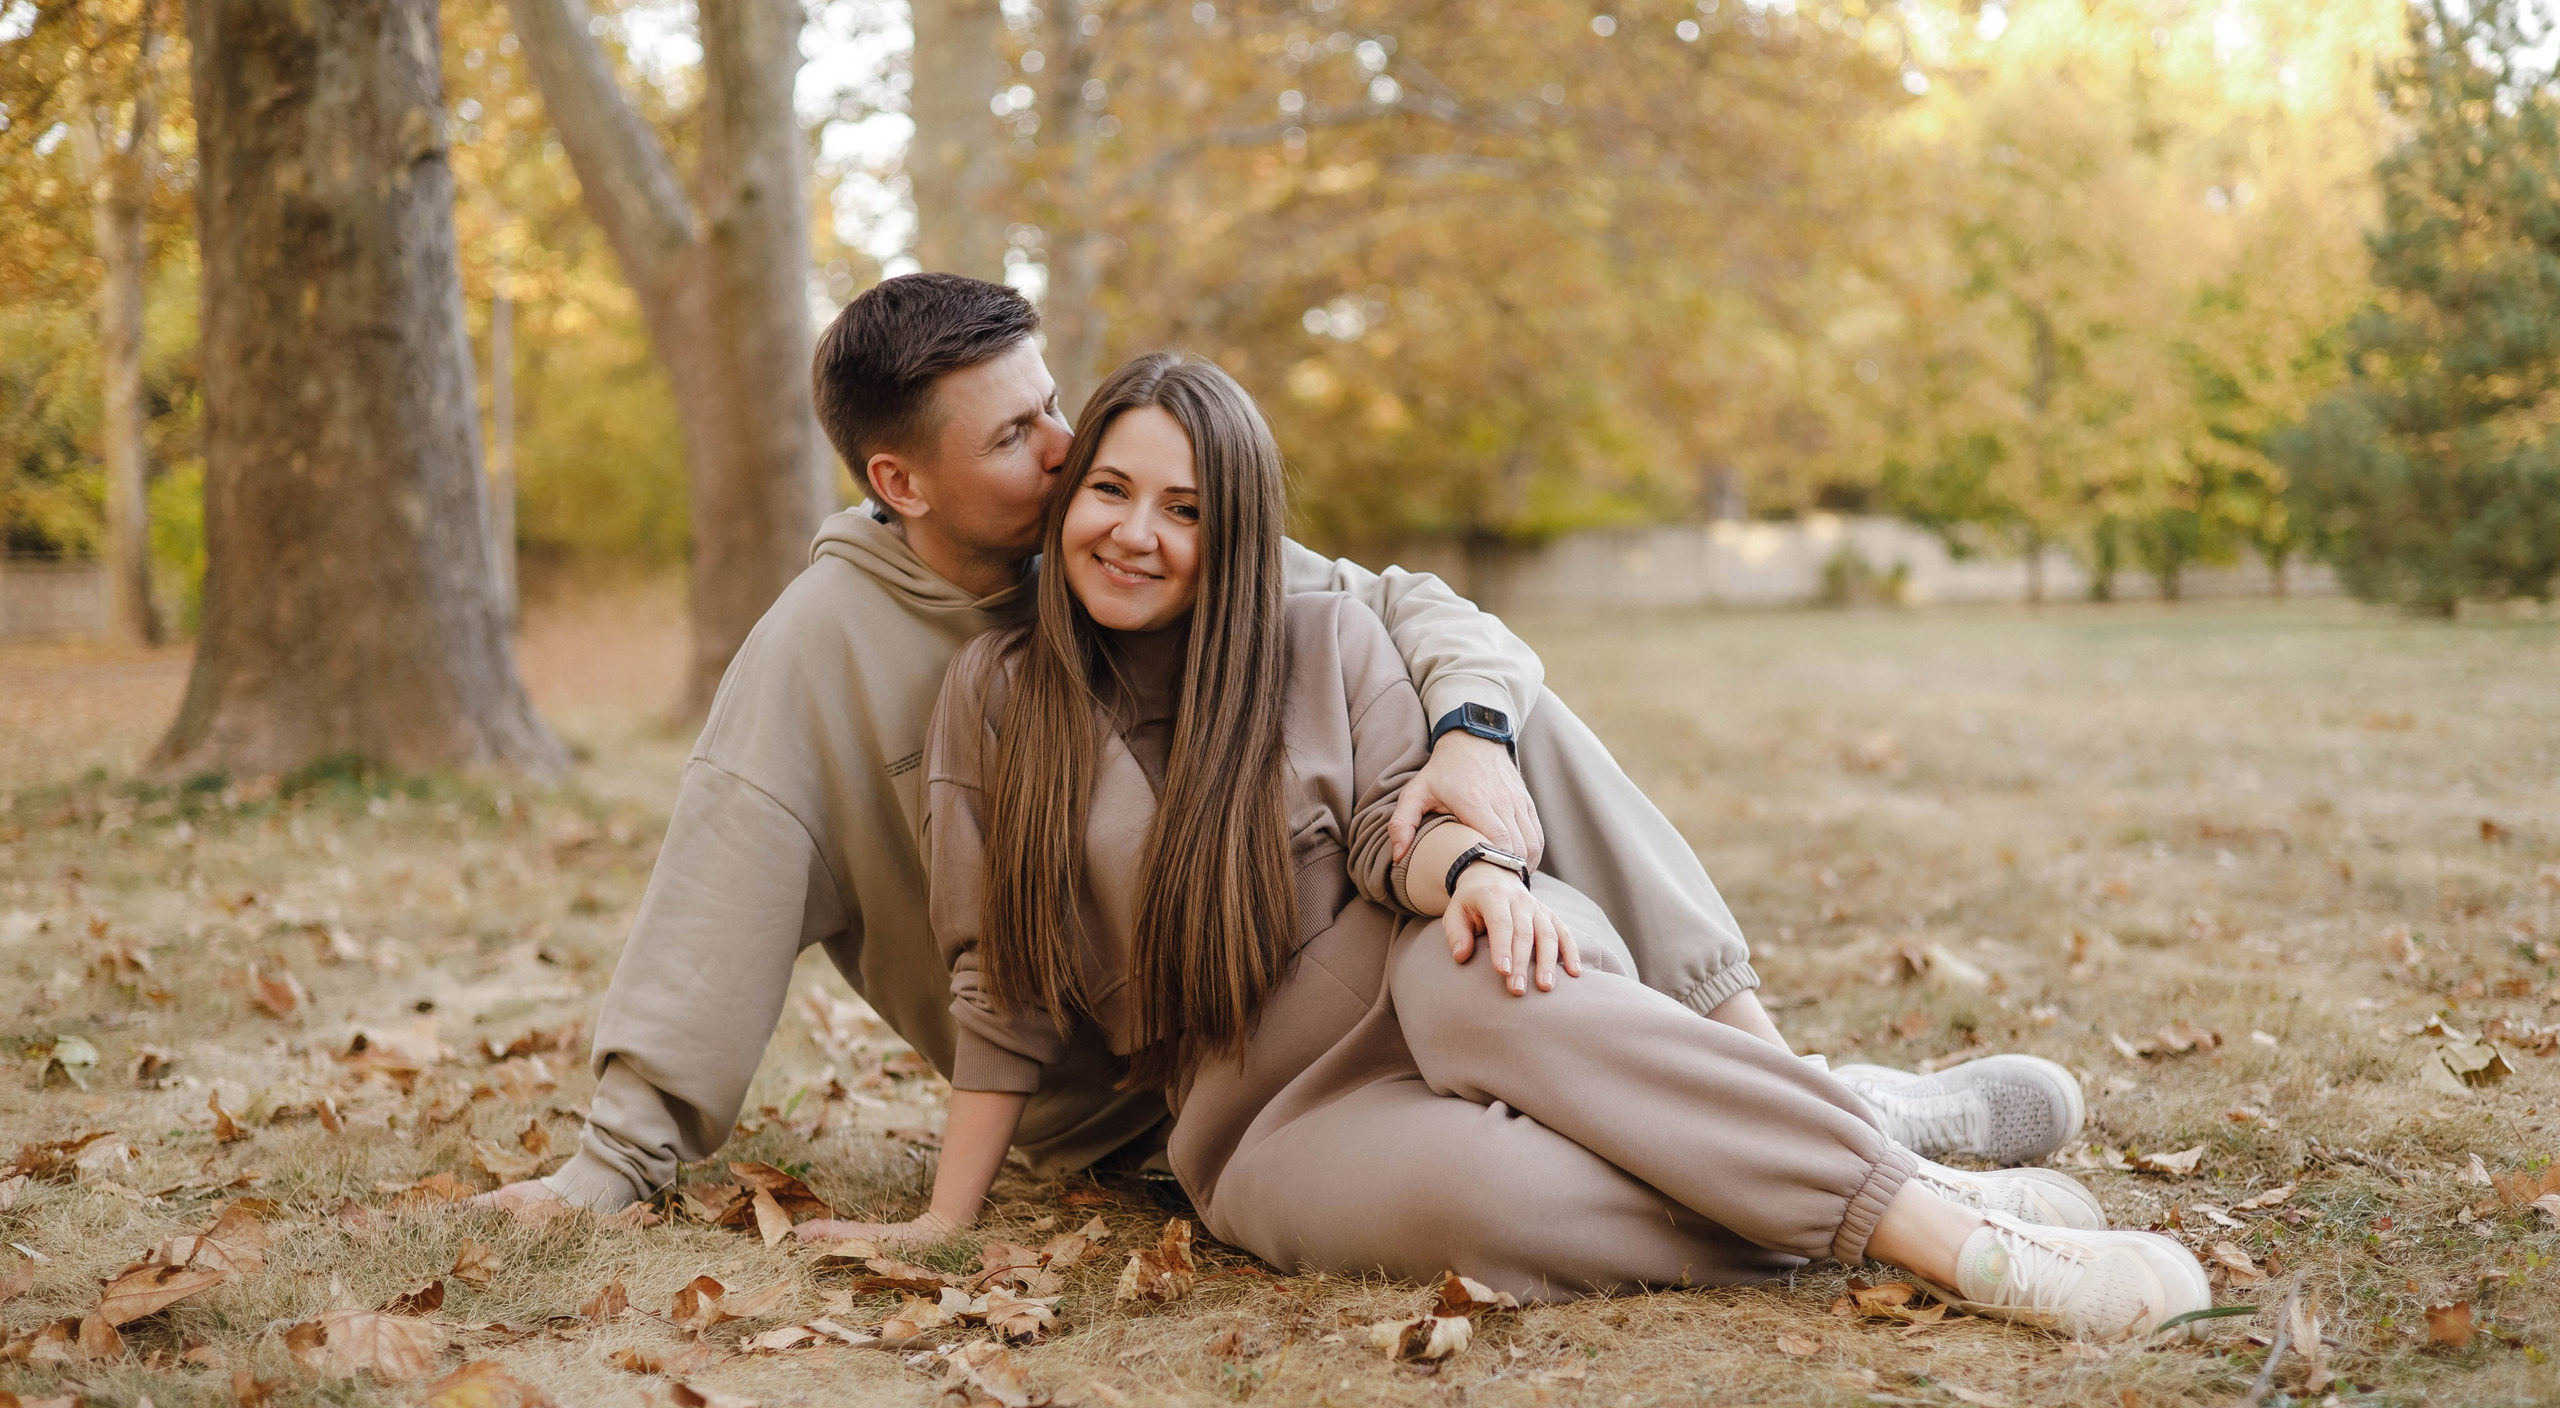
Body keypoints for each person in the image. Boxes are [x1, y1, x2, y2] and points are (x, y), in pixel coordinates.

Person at [473, 273, 2084, 1225]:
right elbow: (717, 897)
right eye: (1024, 437)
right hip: (1150, 1096)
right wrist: (613, 1166)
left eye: (1058, 411)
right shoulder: (816, 663)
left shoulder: (1107, 542)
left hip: (1319, 946)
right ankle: (1851, 1156)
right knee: (1506, 1171)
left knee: (1504, 708)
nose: (1069, 453)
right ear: (902, 484)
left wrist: (1465, 738)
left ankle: (1780, 1080)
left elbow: (1394, 603)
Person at [814, 351, 2212, 1340]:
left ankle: (1974, 1253)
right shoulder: (994, 705)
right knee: (1497, 1204)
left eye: (1186, 508)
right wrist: (947, 1218)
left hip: (1445, 968)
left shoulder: (1321, 636)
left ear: (1234, 529)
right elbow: (993, 979)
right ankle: (1874, 1157)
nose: (1138, 534)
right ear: (1068, 504)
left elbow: (1387, 834)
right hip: (1270, 1116)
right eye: (1112, 491)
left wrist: (1476, 873)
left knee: (1467, 969)